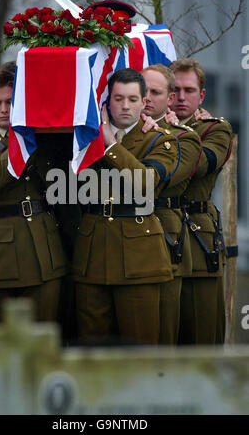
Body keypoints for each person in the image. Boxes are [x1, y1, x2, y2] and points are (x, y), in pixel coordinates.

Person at [72, 68, 179, 345]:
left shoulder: (160, 139)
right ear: (107, 102)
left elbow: (145, 184)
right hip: (93, 252)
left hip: (139, 257)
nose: (125, 106)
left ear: (144, 102)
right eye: (118, 98)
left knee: (140, 348)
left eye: (132, 99)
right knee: (91, 350)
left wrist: (110, 144)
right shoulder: (85, 138)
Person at [0, 62, 68, 324]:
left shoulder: (41, 134)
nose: (4, 109)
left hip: (44, 249)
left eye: (10, 101)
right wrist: (24, 138)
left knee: (45, 338)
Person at [168, 57, 233, 345]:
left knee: (201, 337)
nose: (181, 97)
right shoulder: (149, 128)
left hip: (198, 239)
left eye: (189, 90)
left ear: (202, 95)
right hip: (159, 236)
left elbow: (200, 164)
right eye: (175, 89)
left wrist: (172, 133)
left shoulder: (215, 129)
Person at [141, 64, 202, 344]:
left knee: (162, 338)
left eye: (155, 92)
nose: (146, 98)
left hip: (166, 241)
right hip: (122, 244)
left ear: (168, 100)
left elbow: (149, 181)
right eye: (142, 90)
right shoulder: (118, 133)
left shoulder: (182, 137)